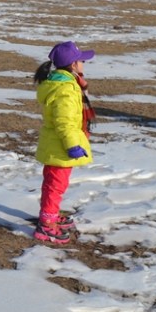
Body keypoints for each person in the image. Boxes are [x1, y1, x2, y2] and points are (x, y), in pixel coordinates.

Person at [32, 41, 95, 244]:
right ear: (73, 65)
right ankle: (47, 224)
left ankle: (49, 213)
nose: (84, 64)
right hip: (60, 146)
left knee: (55, 183)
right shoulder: (65, 89)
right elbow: (64, 121)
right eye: (82, 60)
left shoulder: (65, 83)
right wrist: (71, 144)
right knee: (55, 184)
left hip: (56, 144)